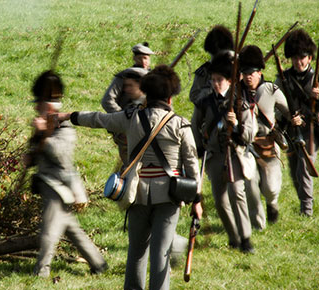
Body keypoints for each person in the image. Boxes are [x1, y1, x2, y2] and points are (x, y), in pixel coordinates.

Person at [55, 65, 202, 290]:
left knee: (136, 253)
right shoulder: (180, 124)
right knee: (161, 254)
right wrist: (197, 201)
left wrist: (69, 116)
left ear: (146, 94)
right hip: (169, 195)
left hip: (136, 193)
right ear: (170, 98)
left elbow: (99, 119)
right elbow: (192, 164)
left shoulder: (130, 116)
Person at [27, 70, 107, 278]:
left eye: (41, 101)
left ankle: (41, 272)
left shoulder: (64, 126)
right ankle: (98, 263)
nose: (36, 105)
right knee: (72, 229)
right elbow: (35, 153)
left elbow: (61, 156)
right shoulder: (44, 124)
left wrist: (45, 133)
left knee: (49, 232)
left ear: (52, 103)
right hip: (48, 184)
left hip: (59, 186)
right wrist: (30, 153)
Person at [191, 52, 258, 253]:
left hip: (235, 154)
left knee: (237, 195)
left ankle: (246, 241)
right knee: (220, 202)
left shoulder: (240, 102)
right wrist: (198, 148)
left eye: (219, 80)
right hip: (214, 156)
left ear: (229, 81)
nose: (215, 83)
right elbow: (195, 126)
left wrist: (235, 125)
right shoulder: (204, 102)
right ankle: (234, 237)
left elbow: (249, 134)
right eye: (212, 80)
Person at [273, 29, 319, 217]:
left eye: (303, 57)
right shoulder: (283, 79)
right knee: (295, 171)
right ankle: (303, 202)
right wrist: (288, 117)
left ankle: (307, 210)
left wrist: (318, 98)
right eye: (295, 58)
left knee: (304, 167)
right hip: (292, 129)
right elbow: (277, 107)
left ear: (309, 58)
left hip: (313, 129)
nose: (298, 62)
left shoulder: (318, 78)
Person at [238, 45, 290, 228]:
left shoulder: (271, 89)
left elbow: (288, 112)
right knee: (250, 185)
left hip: (268, 143)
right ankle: (258, 224)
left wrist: (286, 125)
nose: (248, 76)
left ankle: (272, 203)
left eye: (252, 72)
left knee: (270, 188)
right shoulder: (236, 93)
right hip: (246, 146)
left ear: (260, 72)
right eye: (245, 72)